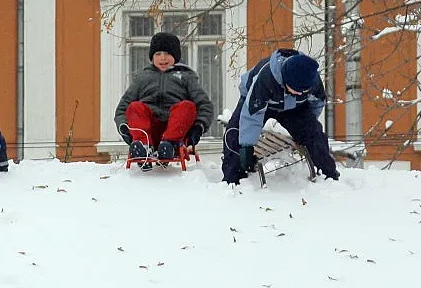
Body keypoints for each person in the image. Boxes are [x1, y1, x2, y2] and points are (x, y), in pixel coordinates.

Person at [222, 49, 340, 185]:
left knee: (314, 134)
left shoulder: (311, 79)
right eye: (297, 89)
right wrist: (247, 146)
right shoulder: (266, 78)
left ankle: (329, 175)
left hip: (294, 108)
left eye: (303, 91)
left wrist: (304, 129)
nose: (300, 93)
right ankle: (233, 180)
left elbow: (317, 103)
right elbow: (252, 114)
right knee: (235, 133)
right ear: (286, 80)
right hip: (256, 100)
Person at [114, 32, 214, 168]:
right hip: (149, 130)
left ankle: (169, 145)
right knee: (135, 107)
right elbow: (123, 108)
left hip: (176, 130)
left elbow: (204, 105)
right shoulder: (143, 77)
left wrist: (198, 128)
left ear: (175, 56)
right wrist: (126, 130)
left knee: (187, 106)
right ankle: (143, 147)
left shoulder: (186, 76)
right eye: (158, 54)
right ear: (152, 57)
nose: (163, 58)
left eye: (167, 53)